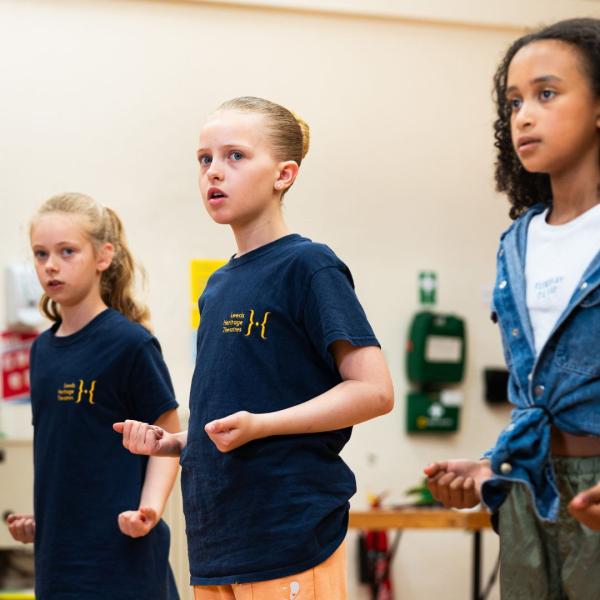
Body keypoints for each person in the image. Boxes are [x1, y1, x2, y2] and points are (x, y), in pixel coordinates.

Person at [115, 96, 394, 599]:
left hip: (289, 538)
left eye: (235, 156)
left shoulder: (310, 267)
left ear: (284, 174)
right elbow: (229, 419)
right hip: (217, 545)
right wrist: (176, 443)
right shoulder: (217, 287)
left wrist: (263, 426)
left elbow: (374, 391)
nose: (213, 173)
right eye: (205, 159)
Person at [424, 18, 600, 598]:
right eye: (514, 101)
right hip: (526, 490)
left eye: (547, 94)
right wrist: (487, 466)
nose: (523, 115)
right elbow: (539, 395)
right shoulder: (516, 243)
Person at [7, 193, 181, 599]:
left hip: (122, 560)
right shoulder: (42, 351)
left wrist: (149, 510)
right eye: (41, 253)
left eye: (67, 252)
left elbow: (167, 434)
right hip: (59, 563)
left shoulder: (130, 344)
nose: (51, 264)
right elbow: (64, 451)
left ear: (103, 256)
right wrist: (45, 517)